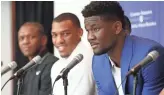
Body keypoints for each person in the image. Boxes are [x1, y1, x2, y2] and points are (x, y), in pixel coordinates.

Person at [82, 1, 164, 95]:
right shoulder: (98, 61)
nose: (90, 37)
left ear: (117, 27)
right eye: (88, 31)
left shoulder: (149, 56)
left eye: (96, 29)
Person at [51, 13, 97, 95]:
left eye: (65, 34)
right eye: (54, 35)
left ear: (80, 32)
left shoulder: (89, 60)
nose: (59, 41)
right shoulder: (56, 66)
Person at [18, 22, 58, 95]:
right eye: (22, 38)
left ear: (43, 40)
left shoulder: (53, 64)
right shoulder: (25, 69)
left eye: (31, 37)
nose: (25, 42)